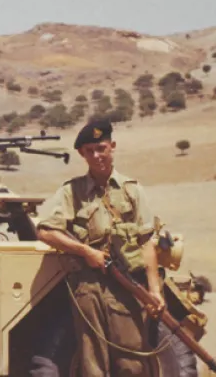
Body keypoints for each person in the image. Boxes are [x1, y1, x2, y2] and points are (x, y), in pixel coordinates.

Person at [35, 120, 165, 376]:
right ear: (82, 155)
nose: (96, 156)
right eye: (89, 151)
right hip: (88, 288)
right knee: (92, 361)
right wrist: (85, 251)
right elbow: (44, 230)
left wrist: (154, 290)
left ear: (112, 147)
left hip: (127, 285)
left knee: (132, 361)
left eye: (100, 148)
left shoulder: (132, 191)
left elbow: (146, 240)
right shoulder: (72, 192)